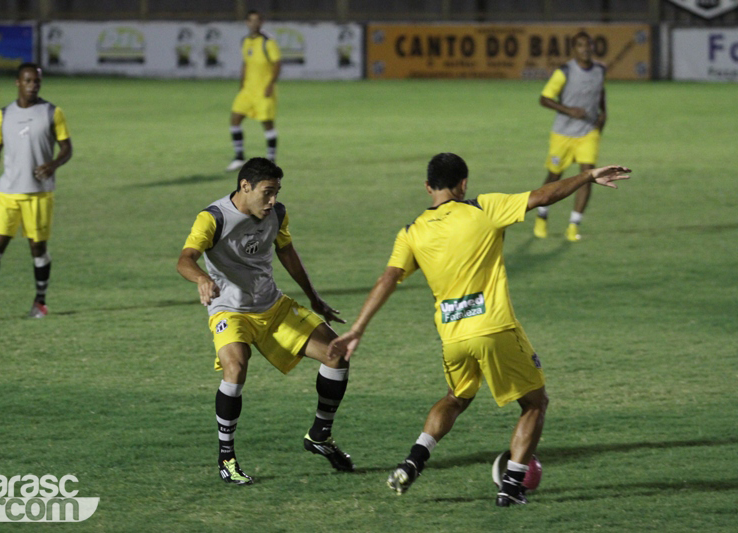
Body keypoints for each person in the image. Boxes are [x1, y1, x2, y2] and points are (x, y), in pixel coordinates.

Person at [328, 153, 629, 506]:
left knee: (456, 398)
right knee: (534, 402)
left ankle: (414, 461)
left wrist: (359, 328)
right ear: (464, 184)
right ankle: (512, 488)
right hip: (494, 328)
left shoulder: (411, 232)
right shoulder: (484, 208)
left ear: (428, 187)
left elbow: (388, 278)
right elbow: (543, 196)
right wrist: (588, 175)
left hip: (453, 337)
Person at [177, 157, 354, 485]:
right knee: (236, 367)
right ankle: (226, 458)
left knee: (337, 353)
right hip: (230, 310)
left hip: (273, 307)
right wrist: (201, 279)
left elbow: (287, 252)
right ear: (245, 186)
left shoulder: (277, 214)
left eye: (277, 192)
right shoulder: (213, 218)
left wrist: (314, 298)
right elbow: (185, 259)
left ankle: (319, 435)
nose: (273, 201)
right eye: (267, 193)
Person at [0, 62, 73, 321]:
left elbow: (67, 148)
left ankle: (40, 302)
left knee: (37, 248)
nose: (33, 86)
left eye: (37, 81)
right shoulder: (3, 115)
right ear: (18, 82)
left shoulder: (52, 113)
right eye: (29, 81)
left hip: (39, 194)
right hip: (7, 193)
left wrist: (53, 164)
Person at [533, 31, 607, 242]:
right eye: (580, 45)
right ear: (574, 49)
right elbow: (544, 99)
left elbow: (600, 92)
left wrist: (604, 114)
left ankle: (574, 225)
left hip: (588, 132)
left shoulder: (600, 70)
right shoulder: (564, 72)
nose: (585, 49)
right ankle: (542, 215)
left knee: (588, 175)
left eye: (588, 44)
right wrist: (569, 110)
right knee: (554, 176)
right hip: (563, 134)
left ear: (593, 46)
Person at [226, 10, 282, 172]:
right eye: (250, 20)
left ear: (261, 22)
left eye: (257, 20)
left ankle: (271, 160)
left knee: (267, 124)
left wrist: (271, 84)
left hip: (263, 90)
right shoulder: (244, 41)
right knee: (235, 119)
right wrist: (242, 83)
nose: (254, 23)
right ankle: (238, 157)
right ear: (246, 22)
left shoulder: (268, 42)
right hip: (247, 90)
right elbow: (245, 63)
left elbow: (277, 63)